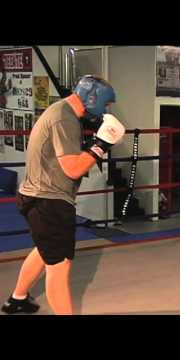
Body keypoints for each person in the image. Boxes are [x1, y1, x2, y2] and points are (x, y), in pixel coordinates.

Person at [1, 75, 125, 315]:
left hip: (37, 196)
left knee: (44, 250)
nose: (107, 109)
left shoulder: (62, 112)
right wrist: (102, 143)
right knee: (59, 266)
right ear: (92, 98)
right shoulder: (64, 118)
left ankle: (17, 299)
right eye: (106, 103)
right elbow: (73, 168)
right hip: (48, 201)